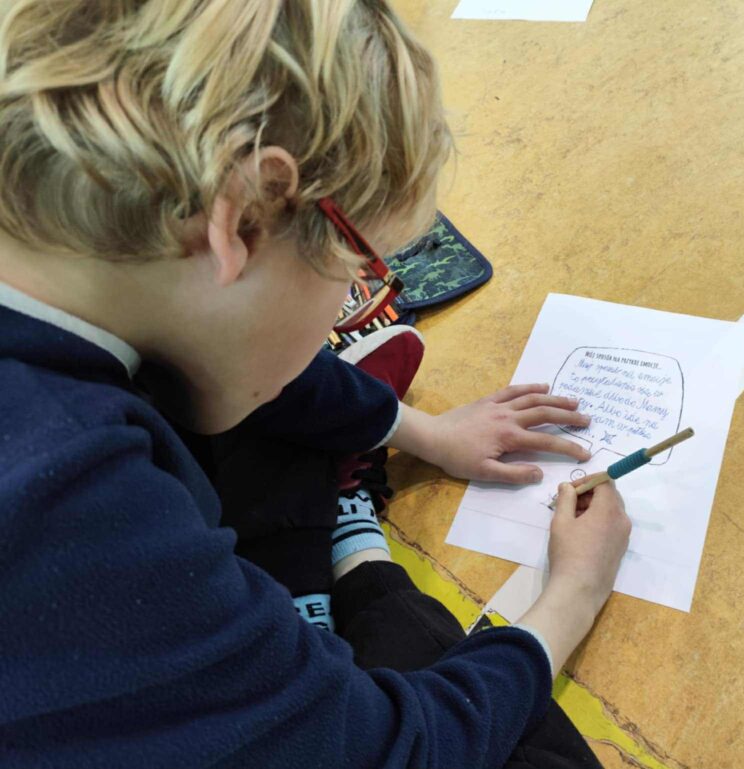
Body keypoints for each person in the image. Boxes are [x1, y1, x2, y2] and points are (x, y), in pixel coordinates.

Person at [0, 1, 631, 767]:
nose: (350, 304)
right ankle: (353, 566)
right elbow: (393, 748)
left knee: (245, 392)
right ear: (245, 221)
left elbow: (248, 363)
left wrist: (423, 430)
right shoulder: (73, 499)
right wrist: (571, 595)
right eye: (360, 270)